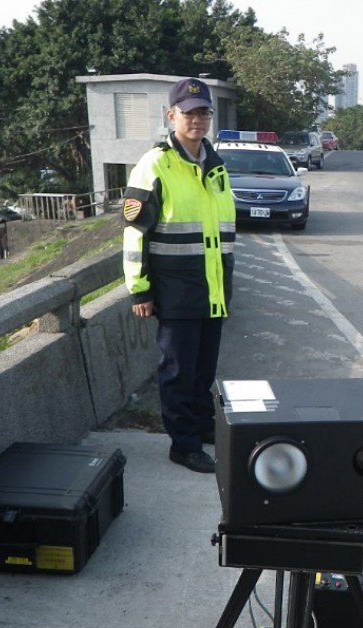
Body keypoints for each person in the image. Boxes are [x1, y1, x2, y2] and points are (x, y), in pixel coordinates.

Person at [121, 77, 235, 474]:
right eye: (189, 113)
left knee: (203, 370)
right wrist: (140, 290)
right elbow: (136, 233)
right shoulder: (156, 164)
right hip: (175, 289)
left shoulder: (215, 164)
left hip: (213, 289)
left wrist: (224, 285)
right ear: (171, 116)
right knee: (177, 370)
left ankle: (201, 427)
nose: (197, 120)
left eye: (204, 112)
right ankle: (182, 445)